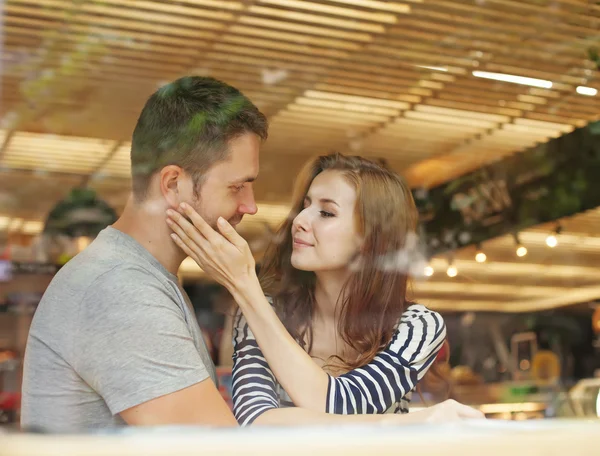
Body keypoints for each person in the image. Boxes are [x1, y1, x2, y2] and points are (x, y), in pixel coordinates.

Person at [20, 76, 268, 432]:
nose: (251, 206)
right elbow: (219, 449)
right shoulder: (119, 290)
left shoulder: (136, 277)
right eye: (237, 187)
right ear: (173, 184)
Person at [167, 153, 485, 426]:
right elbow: (255, 420)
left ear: (370, 239)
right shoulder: (263, 311)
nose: (300, 220)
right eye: (305, 206)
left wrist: (245, 285)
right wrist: (409, 423)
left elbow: (342, 403)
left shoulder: (417, 327)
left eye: (326, 212)